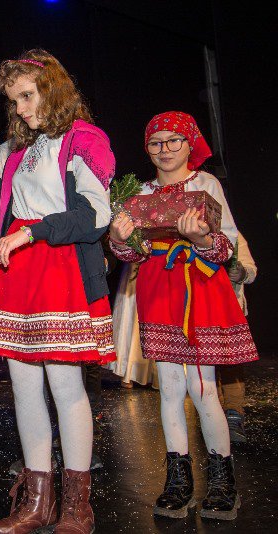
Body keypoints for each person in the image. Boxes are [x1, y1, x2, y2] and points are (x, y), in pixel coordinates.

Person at [0, 49, 116, 534]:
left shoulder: (83, 139)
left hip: (59, 263)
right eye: (15, 101)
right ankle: (35, 501)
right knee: (24, 388)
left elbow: (97, 214)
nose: (22, 109)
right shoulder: (20, 150)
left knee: (66, 386)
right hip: (20, 269)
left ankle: (76, 504)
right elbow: (5, 204)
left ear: (51, 86)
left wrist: (33, 232)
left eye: (27, 96)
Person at [109, 111, 258, 521]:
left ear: (191, 144)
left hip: (201, 289)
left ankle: (223, 479)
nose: (165, 149)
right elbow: (131, 251)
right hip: (159, 289)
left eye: (174, 140)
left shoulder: (206, 184)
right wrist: (119, 240)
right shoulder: (139, 191)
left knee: (204, 388)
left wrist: (200, 238)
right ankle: (178, 481)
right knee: (171, 388)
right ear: (147, 148)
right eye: (156, 142)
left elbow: (224, 245)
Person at [218, 233, 257, 442]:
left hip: (229, 309)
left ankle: (233, 413)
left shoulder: (231, 235)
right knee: (207, 367)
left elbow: (251, 271)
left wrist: (241, 272)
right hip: (202, 311)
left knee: (231, 364)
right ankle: (212, 413)